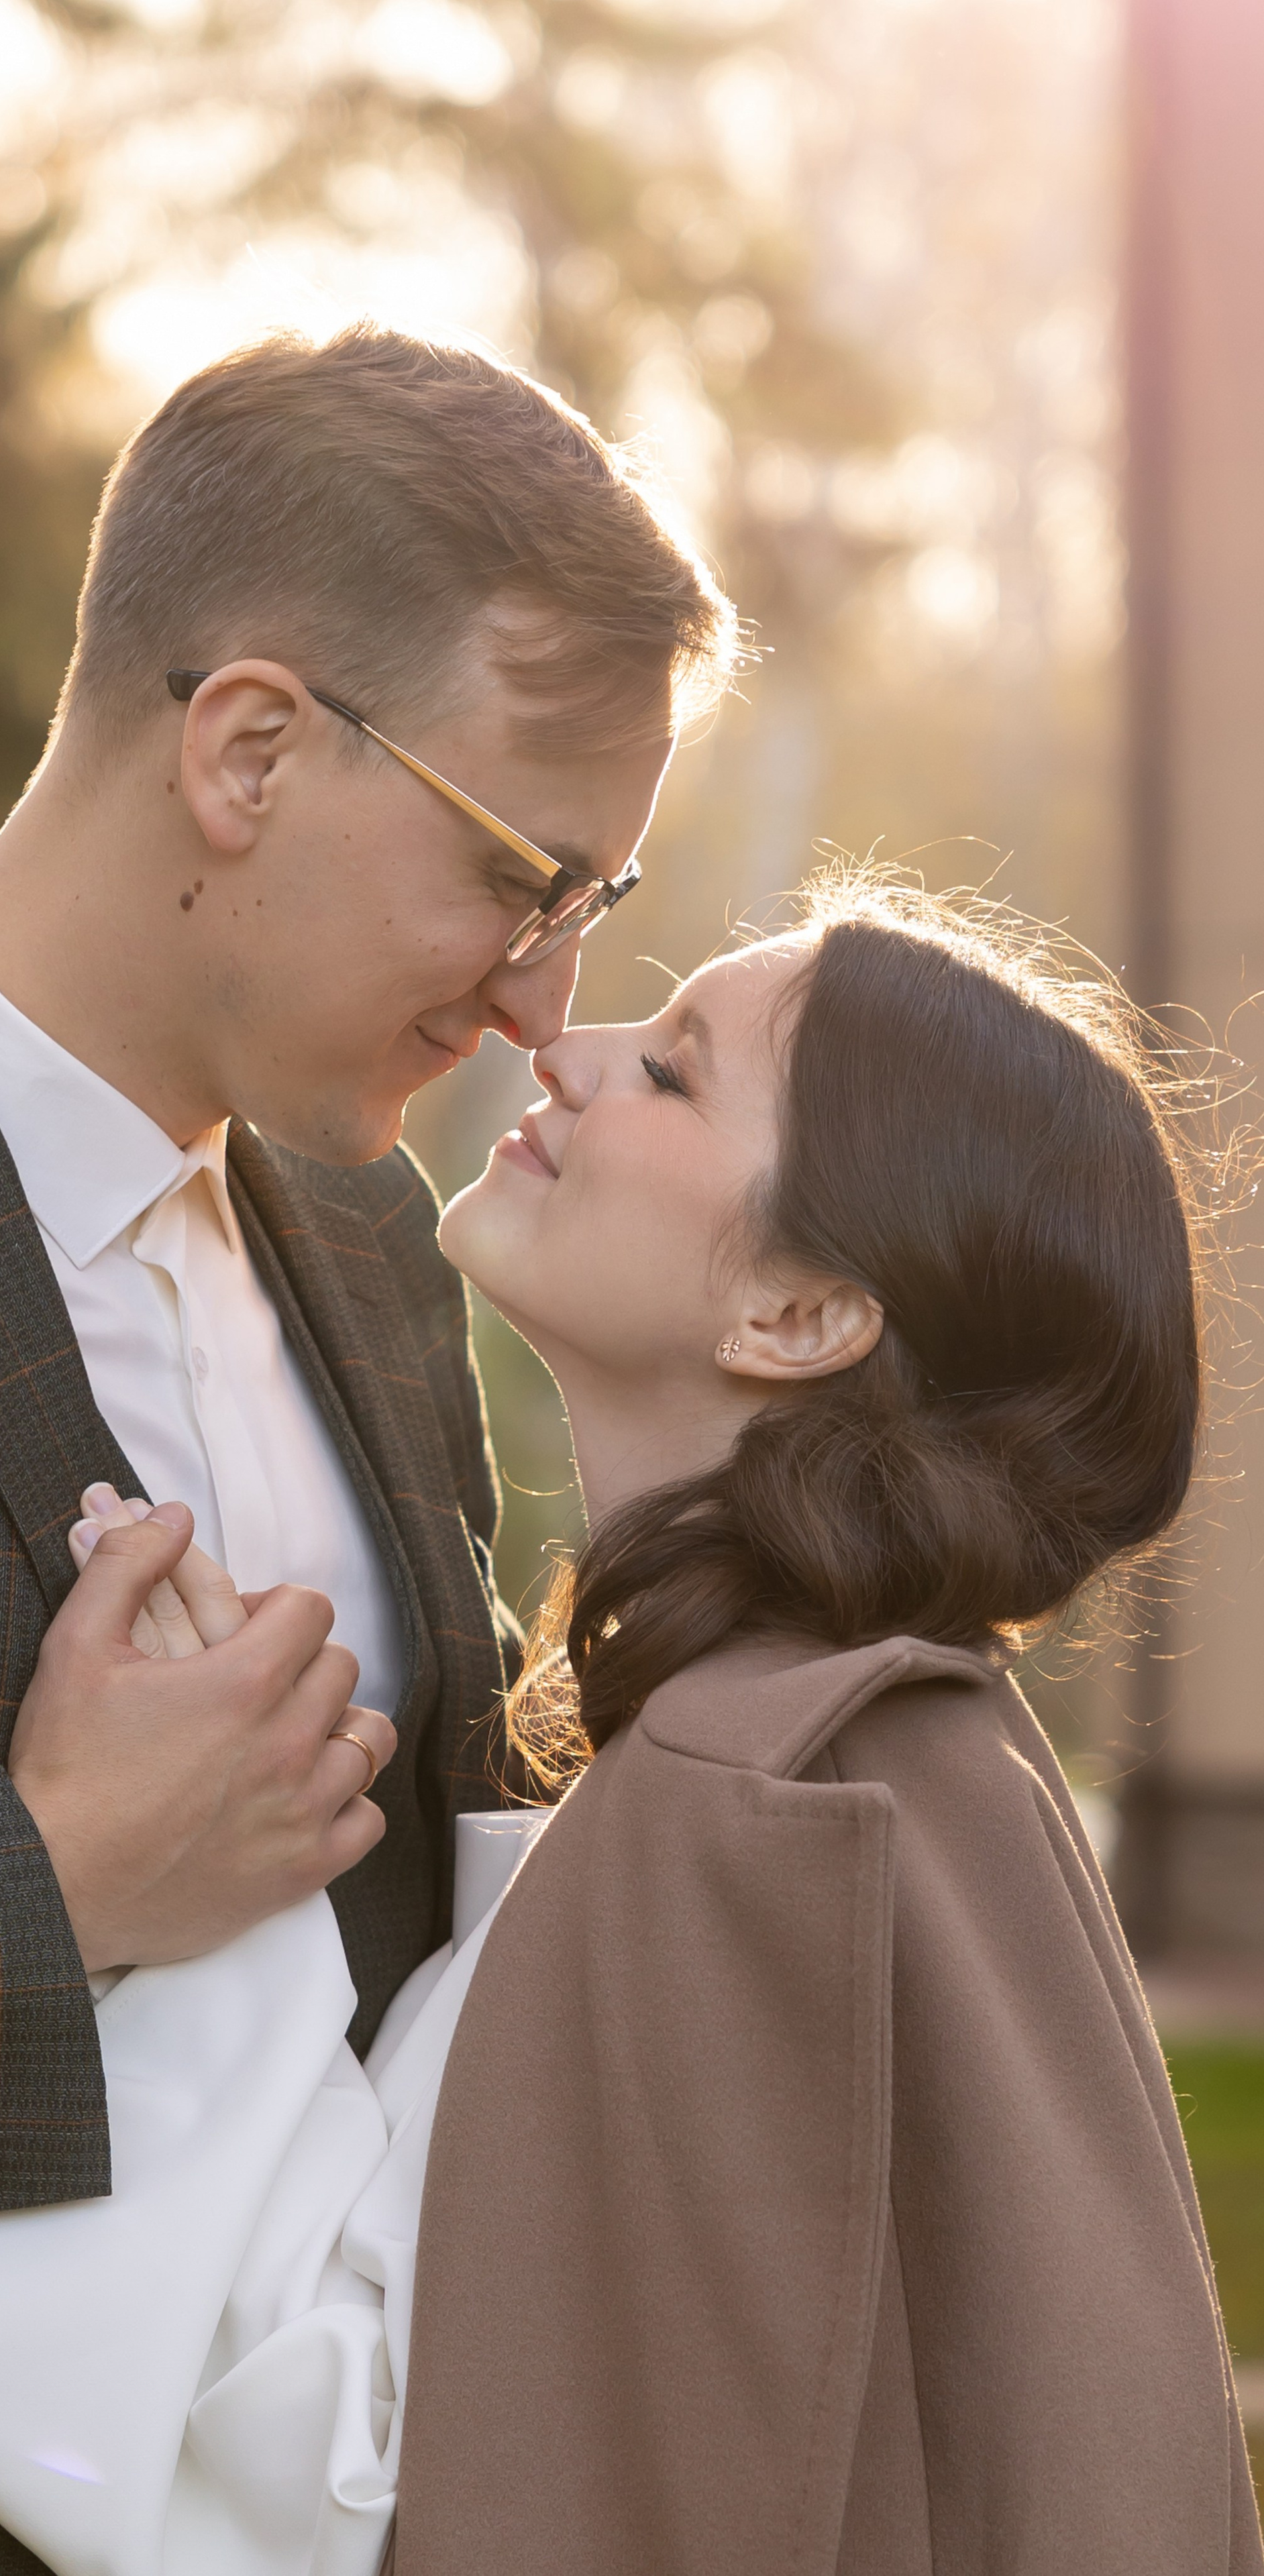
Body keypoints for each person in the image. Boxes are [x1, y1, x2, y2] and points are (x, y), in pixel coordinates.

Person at [0, 324, 731, 2571]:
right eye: (522, 874)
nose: (541, 997)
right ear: (248, 750)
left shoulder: (376, 1250)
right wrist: (43, 1888)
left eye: (593, 909)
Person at [393, 868, 1264, 2574]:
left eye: (670, 1071)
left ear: (796, 1316)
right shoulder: (926, 1746)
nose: (565, 1046)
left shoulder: (750, 1795)